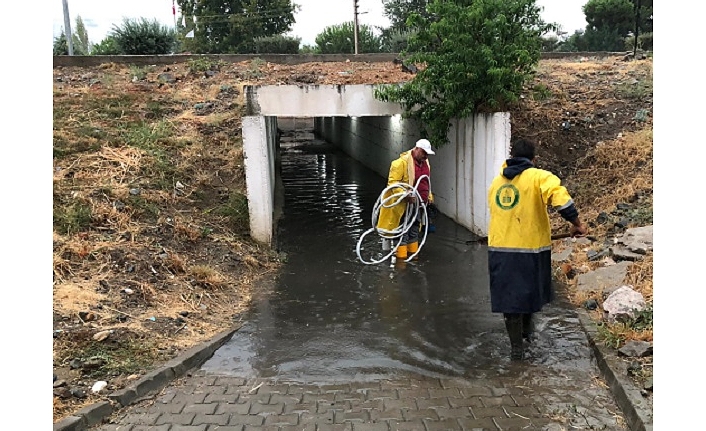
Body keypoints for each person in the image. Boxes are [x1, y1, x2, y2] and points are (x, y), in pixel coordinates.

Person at [487, 138, 587, 360]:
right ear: (533, 159)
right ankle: (526, 340)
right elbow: (560, 199)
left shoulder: (496, 183)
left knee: (509, 300)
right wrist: (577, 224)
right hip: (529, 252)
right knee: (528, 294)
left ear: (512, 157)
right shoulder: (539, 177)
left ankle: (517, 350)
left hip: (500, 251)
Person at [376, 138, 435, 260]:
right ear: (417, 149)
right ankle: (401, 261)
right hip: (404, 206)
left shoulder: (426, 163)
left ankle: (413, 255)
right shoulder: (399, 163)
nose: (426, 156)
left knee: (414, 229)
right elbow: (393, 184)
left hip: (418, 205)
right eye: (424, 153)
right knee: (402, 230)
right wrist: (406, 195)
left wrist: (428, 196)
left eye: (427, 153)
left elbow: (426, 182)